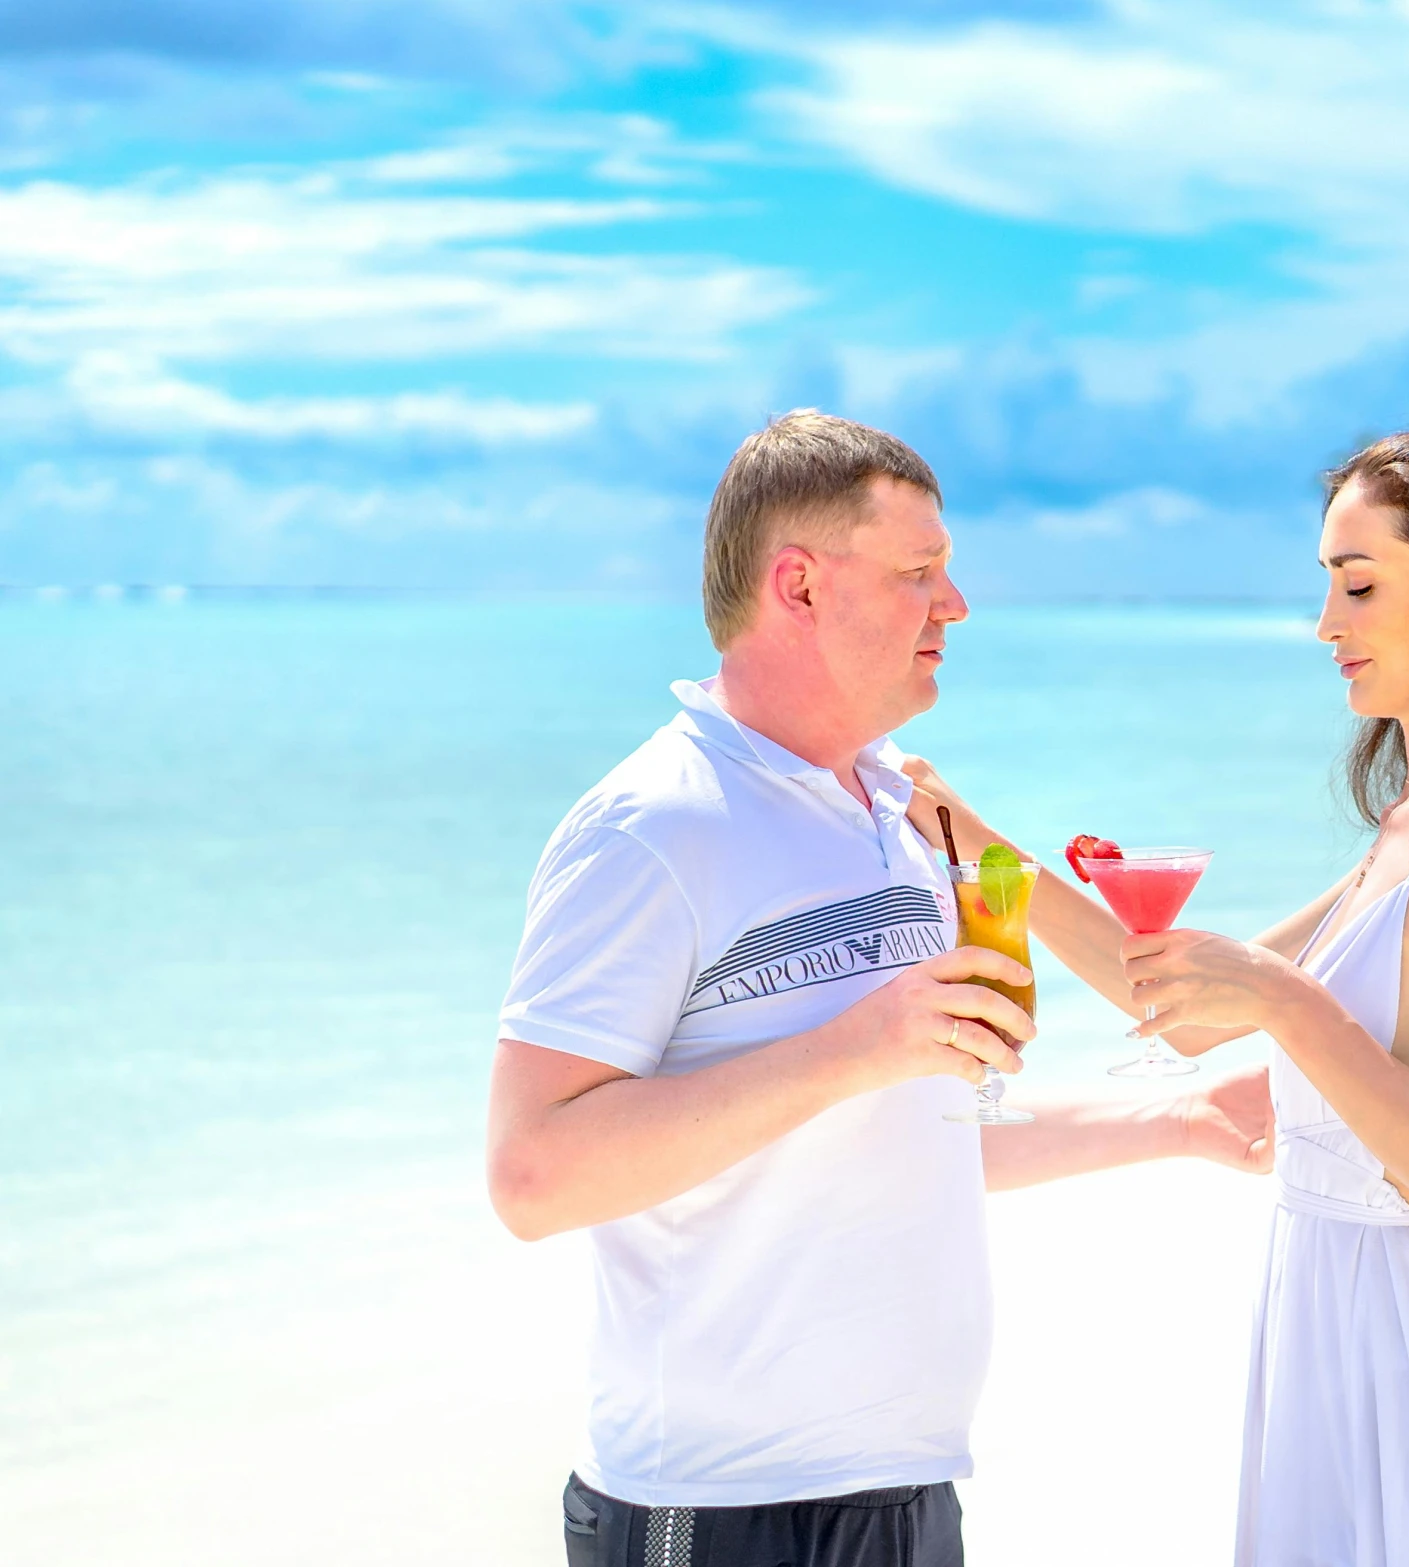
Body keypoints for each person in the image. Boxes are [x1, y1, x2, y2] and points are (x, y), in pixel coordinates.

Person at [486, 410, 1274, 1567]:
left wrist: (1180, 1120)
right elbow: (532, 1176)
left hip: (910, 1490)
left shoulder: (897, 817)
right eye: (919, 573)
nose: (953, 607)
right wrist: (855, 1046)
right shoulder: (650, 826)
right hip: (712, 1513)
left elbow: (906, 1133)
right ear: (797, 585)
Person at [912, 426, 1409, 1565]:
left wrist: (1289, 1007)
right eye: (1326, 587)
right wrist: (976, 844)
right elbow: (1182, 1005)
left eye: (1358, 585)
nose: (1325, 625)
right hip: (1323, 1345)